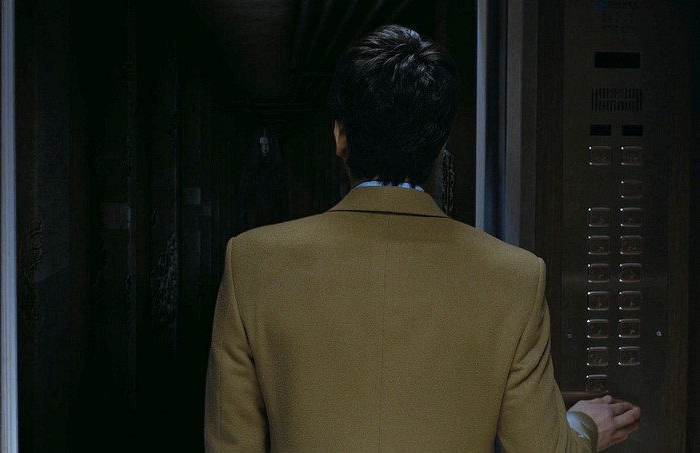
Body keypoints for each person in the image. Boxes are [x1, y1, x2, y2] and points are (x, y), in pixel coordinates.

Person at [205, 24, 640, 452]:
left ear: (340, 136)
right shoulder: (516, 276)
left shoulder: (252, 262)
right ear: (440, 144)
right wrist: (585, 425)